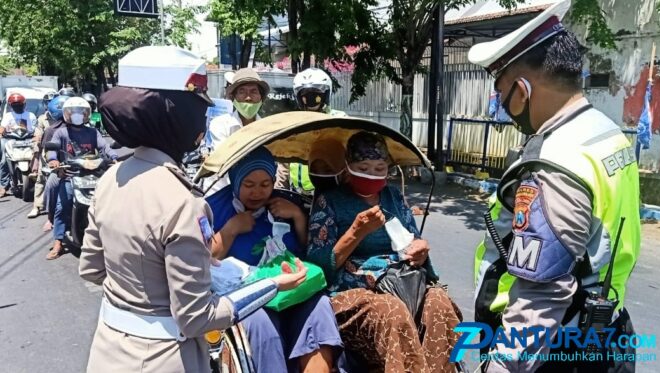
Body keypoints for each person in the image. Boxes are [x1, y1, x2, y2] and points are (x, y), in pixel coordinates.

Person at [78, 45, 307, 373]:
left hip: (108, 351)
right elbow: (198, 317)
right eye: (197, 109)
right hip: (164, 359)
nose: (203, 120)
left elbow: (92, 269)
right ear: (175, 116)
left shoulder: (112, 177)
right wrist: (271, 286)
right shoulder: (183, 202)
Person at [469, 1, 640, 372]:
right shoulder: (606, 133)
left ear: (523, 89)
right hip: (606, 334)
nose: (501, 104)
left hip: (555, 352)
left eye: (501, 91)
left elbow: (542, 293)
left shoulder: (556, 160)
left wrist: (502, 366)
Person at [307, 131, 461, 373]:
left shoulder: (394, 197)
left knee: (440, 304)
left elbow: (413, 240)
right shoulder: (330, 201)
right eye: (363, 167)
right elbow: (318, 266)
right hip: (352, 292)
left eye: (379, 168)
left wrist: (420, 251)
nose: (371, 174)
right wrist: (356, 232)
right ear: (348, 166)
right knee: (391, 312)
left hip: (402, 281)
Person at [206, 146, 343, 372]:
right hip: (245, 295)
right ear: (235, 181)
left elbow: (310, 249)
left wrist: (298, 217)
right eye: (248, 185)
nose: (258, 192)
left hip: (292, 290)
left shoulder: (286, 203)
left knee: (319, 308)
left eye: (265, 184)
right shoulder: (213, 208)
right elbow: (204, 259)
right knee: (261, 325)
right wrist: (231, 229)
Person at [45, 97, 118, 260]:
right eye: (74, 112)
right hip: (70, 174)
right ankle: (58, 242)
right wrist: (53, 160)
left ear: (86, 114)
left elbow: (104, 147)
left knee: (108, 201)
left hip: (94, 174)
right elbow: (52, 149)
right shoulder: (61, 132)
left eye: (81, 112)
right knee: (62, 205)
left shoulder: (93, 132)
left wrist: (114, 157)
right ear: (67, 114)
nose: (77, 115)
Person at [280, 68, 347, 192]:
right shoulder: (294, 124)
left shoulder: (339, 121)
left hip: (333, 190)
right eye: (305, 93)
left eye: (316, 92)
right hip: (297, 193)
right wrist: (280, 191)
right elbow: (285, 160)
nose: (310, 97)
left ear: (326, 94)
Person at [204, 68, 270, 194]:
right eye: (242, 91)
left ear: (261, 97)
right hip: (222, 192)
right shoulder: (220, 124)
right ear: (233, 97)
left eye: (254, 91)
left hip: (255, 196)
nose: (249, 97)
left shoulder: (267, 128)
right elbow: (225, 161)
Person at [39, 96, 70, 230]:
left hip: (84, 167)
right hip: (60, 168)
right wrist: (54, 161)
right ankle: (51, 217)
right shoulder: (51, 130)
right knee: (52, 185)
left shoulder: (86, 128)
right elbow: (47, 150)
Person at [27, 91, 59, 218]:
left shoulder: (63, 117)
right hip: (45, 151)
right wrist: (37, 149)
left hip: (62, 151)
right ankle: (37, 206)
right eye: (48, 102)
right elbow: (37, 135)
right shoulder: (41, 119)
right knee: (40, 179)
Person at [0, 93, 38, 197]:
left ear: (24, 104)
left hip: (28, 139)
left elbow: (36, 129)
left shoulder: (30, 115)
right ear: (11, 105)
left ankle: (38, 178)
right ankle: (3, 186)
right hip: (11, 140)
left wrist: (37, 136)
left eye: (19, 104)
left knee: (37, 155)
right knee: (4, 160)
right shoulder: (8, 116)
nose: (17, 106)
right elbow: (2, 128)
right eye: (15, 104)